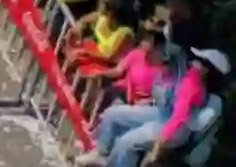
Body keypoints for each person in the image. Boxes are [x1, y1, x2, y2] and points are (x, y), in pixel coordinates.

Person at [76, 47, 227, 167]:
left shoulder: (194, 84)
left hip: (175, 128)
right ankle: (101, 152)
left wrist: (161, 141)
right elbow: (165, 94)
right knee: (113, 114)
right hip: (162, 113)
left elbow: (180, 116)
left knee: (127, 142)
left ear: (206, 70)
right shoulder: (187, 76)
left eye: (199, 60)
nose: (193, 61)